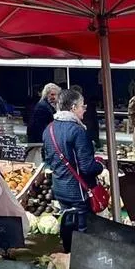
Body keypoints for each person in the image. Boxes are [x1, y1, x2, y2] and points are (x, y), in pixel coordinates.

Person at [42, 88, 105, 252]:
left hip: (60, 189)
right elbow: (87, 167)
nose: (85, 110)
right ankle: (79, 262)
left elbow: (48, 160)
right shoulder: (77, 131)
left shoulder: (49, 129)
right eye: (83, 106)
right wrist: (101, 164)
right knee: (83, 234)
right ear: (73, 107)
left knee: (68, 227)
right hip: (79, 192)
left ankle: (67, 256)